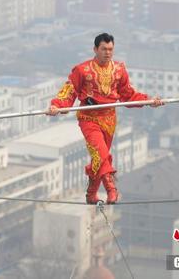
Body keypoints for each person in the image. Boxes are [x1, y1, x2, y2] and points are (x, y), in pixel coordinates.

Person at [46, 33, 164, 204]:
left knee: (97, 157)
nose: (107, 53)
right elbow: (69, 91)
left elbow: (128, 94)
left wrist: (149, 101)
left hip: (109, 119)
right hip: (89, 118)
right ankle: (111, 189)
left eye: (110, 49)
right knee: (101, 154)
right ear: (95, 49)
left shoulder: (119, 70)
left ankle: (91, 193)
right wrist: (57, 105)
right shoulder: (82, 70)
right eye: (104, 49)